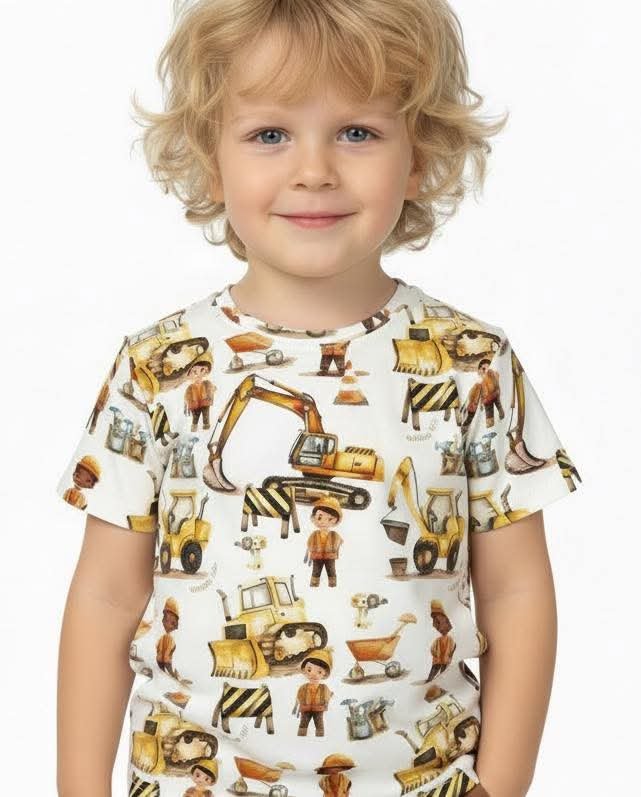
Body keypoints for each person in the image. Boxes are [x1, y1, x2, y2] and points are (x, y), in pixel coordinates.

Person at [55, 2, 583, 796]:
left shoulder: (470, 363)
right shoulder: (158, 365)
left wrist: (499, 784)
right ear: (210, 161)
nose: (314, 170)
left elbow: (515, 591)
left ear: (418, 155)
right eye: (269, 134)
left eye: (356, 132)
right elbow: (106, 594)